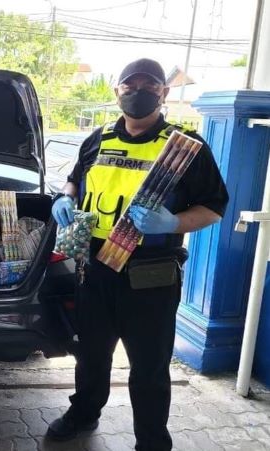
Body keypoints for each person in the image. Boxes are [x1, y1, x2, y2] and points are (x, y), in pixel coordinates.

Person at [46, 58, 229, 451]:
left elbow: (214, 208)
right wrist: (64, 198)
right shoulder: (98, 139)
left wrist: (172, 222)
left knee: (149, 365)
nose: (138, 92)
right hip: (95, 268)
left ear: (164, 92)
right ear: (117, 91)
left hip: (150, 275)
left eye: (149, 86)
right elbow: (74, 180)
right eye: (130, 86)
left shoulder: (185, 147)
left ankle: (152, 441)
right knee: (91, 353)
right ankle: (84, 412)